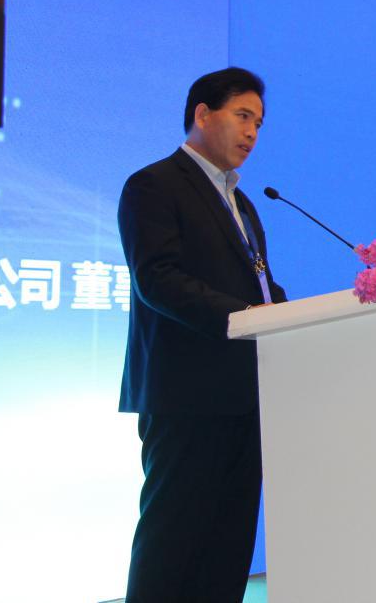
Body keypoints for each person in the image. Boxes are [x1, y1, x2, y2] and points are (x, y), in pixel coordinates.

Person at [118, 67, 287, 603]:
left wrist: (290, 316)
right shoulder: (154, 184)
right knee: (173, 540)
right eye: (243, 116)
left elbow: (260, 285)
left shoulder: (244, 203)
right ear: (203, 114)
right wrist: (248, 316)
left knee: (227, 544)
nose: (252, 132)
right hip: (186, 395)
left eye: (259, 123)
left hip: (244, 395)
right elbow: (158, 279)